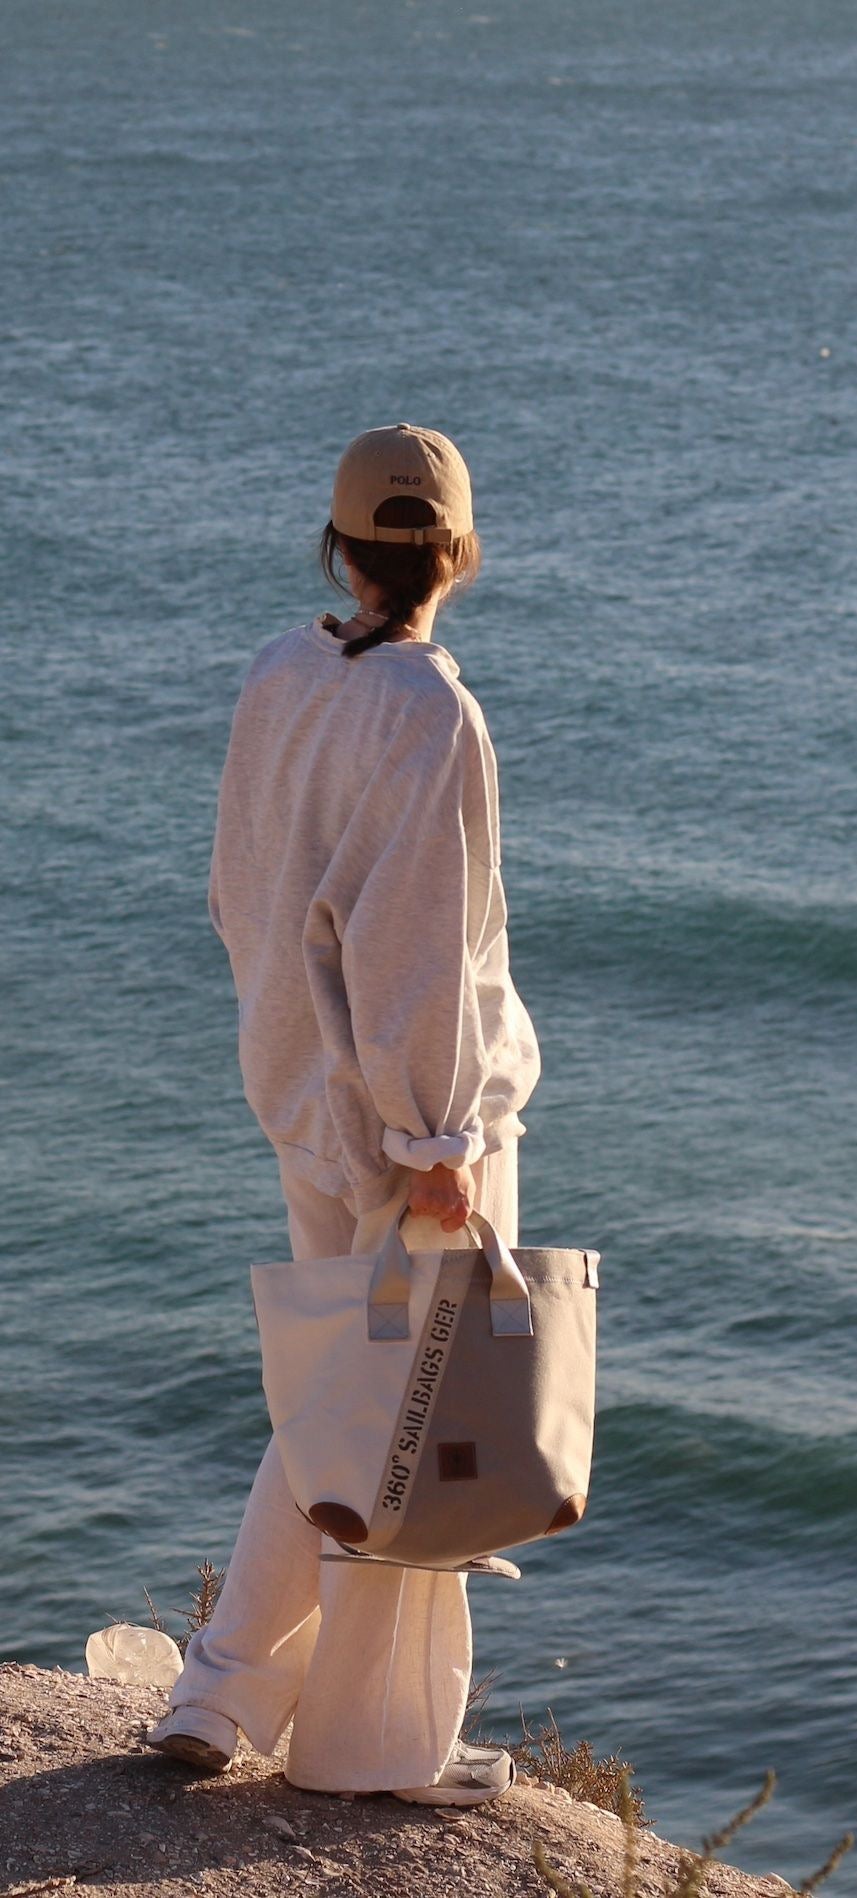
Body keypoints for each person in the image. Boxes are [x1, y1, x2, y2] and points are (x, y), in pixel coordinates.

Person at [144, 424, 541, 1808]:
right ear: (458, 551)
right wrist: (439, 1145)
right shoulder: (436, 711)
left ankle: (221, 1687)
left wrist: (297, 1052)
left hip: (301, 1092)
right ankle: (371, 1748)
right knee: (410, 1425)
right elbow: (421, 948)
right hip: (403, 1122)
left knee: (342, 1395)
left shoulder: (280, 676)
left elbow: (238, 891)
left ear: (343, 546)